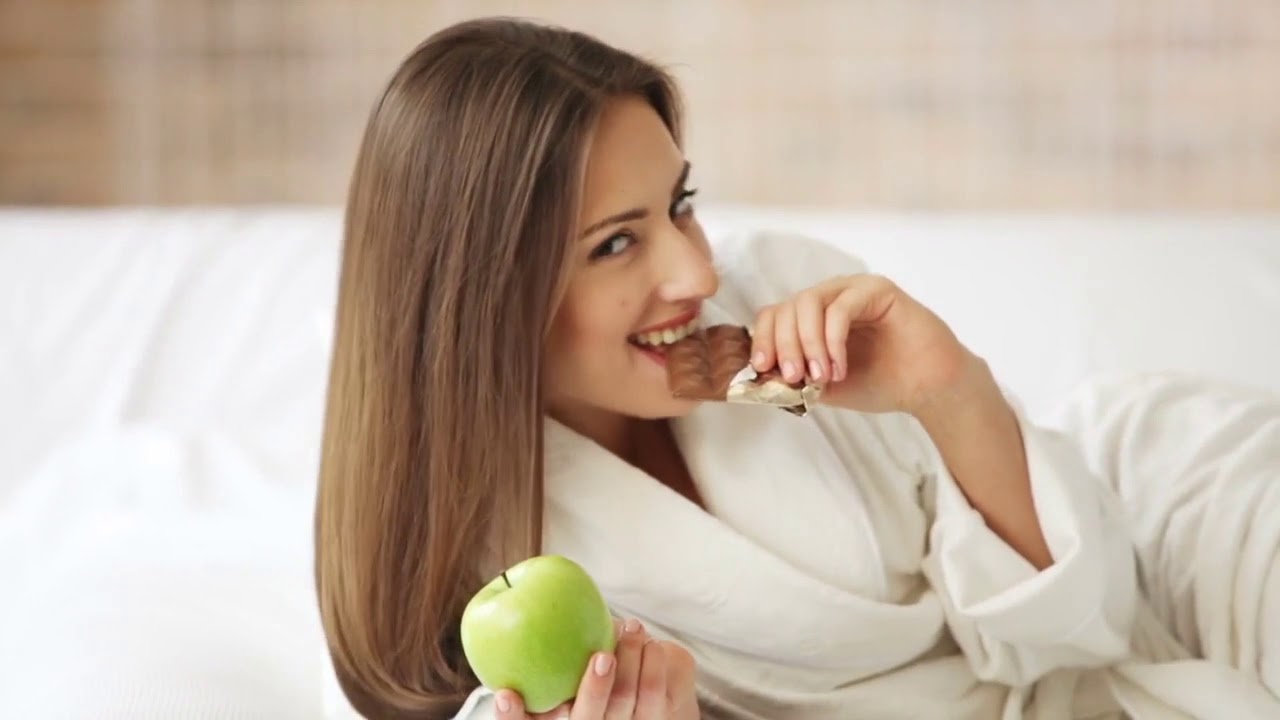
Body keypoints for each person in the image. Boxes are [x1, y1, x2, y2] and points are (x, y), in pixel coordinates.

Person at [313, 16, 1280, 720]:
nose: (699, 275)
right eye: (615, 244)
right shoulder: (469, 562)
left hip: (1151, 532)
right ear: (483, 298)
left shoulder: (782, 291)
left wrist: (949, 391)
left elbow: (1089, 627)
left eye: (680, 205)